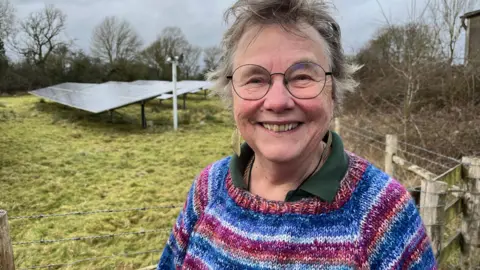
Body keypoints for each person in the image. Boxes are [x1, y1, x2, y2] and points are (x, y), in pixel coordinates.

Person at [157, 0, 437, 269]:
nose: (278, 101)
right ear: (231, 93)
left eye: (302, 76)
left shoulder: (383, 214)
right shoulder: (208, 188)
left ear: (334, 89)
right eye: (255, 79)